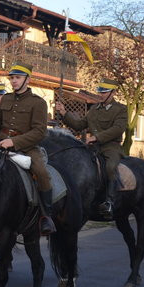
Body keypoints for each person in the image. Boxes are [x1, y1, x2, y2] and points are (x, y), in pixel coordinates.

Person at [0, 63, 56, 234]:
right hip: (2, 144)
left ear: (28, 79)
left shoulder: (38, 102)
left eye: (17, 78)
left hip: (27, 147)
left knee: (41, 172)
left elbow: (39, 132)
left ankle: (46, 216)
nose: (13, 81)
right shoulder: (7, 98)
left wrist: (15, 142)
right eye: (12, 78)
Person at [55, 78, 127, 220]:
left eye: (104, 92)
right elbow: (79, 125)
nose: (101, 94)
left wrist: (96, 137)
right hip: (93, 146)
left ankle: (110, 201)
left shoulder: (121, 109)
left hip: (111, 146)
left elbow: (118, 129)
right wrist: (64, 113)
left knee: (111, 167)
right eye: (100, 91)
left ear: (113, 93)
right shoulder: (94, 109)